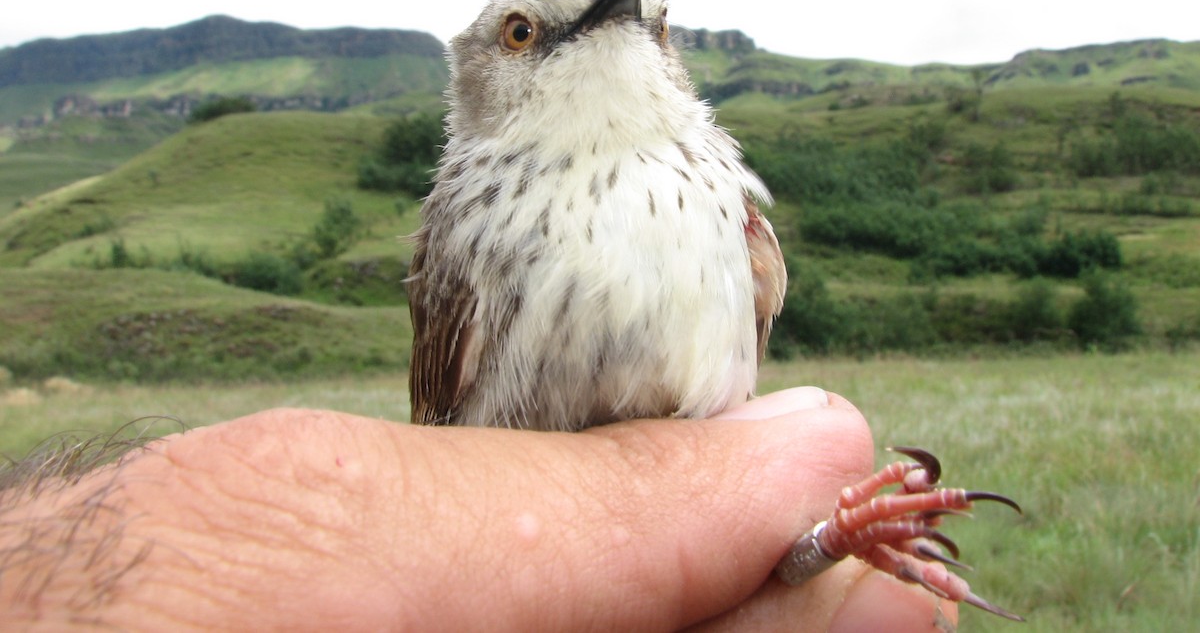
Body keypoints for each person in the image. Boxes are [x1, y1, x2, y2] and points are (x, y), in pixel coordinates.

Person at [1, 387, 956, 630]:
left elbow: (732, 535)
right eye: (524, 33)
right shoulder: (469, 219)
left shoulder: (737, 226)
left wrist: (825, 536)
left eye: (652, 25)